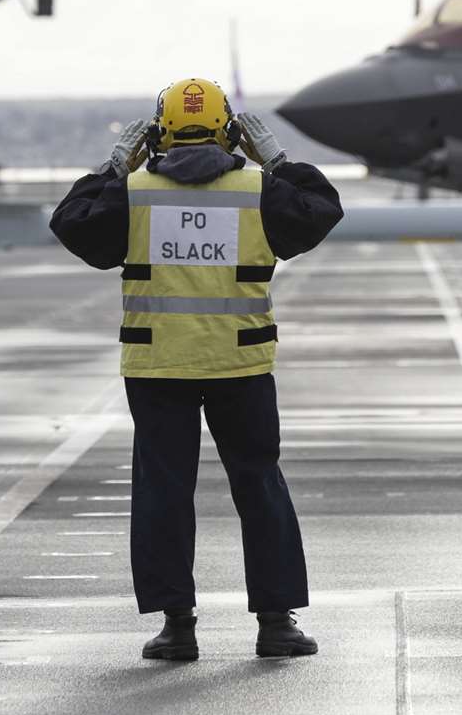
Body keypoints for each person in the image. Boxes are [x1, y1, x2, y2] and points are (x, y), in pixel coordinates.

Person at [49, 78, 343, 662]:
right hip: (241, 363)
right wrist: (277, 158)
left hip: (158, 365)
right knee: (260, 487)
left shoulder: (133, 192)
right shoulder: (258, 188)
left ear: (158, 132)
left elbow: (74, 225)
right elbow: (320, 212)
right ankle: (276, 623)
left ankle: (177, 627)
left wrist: (112, 167)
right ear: (231, 130)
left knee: (163, 493)